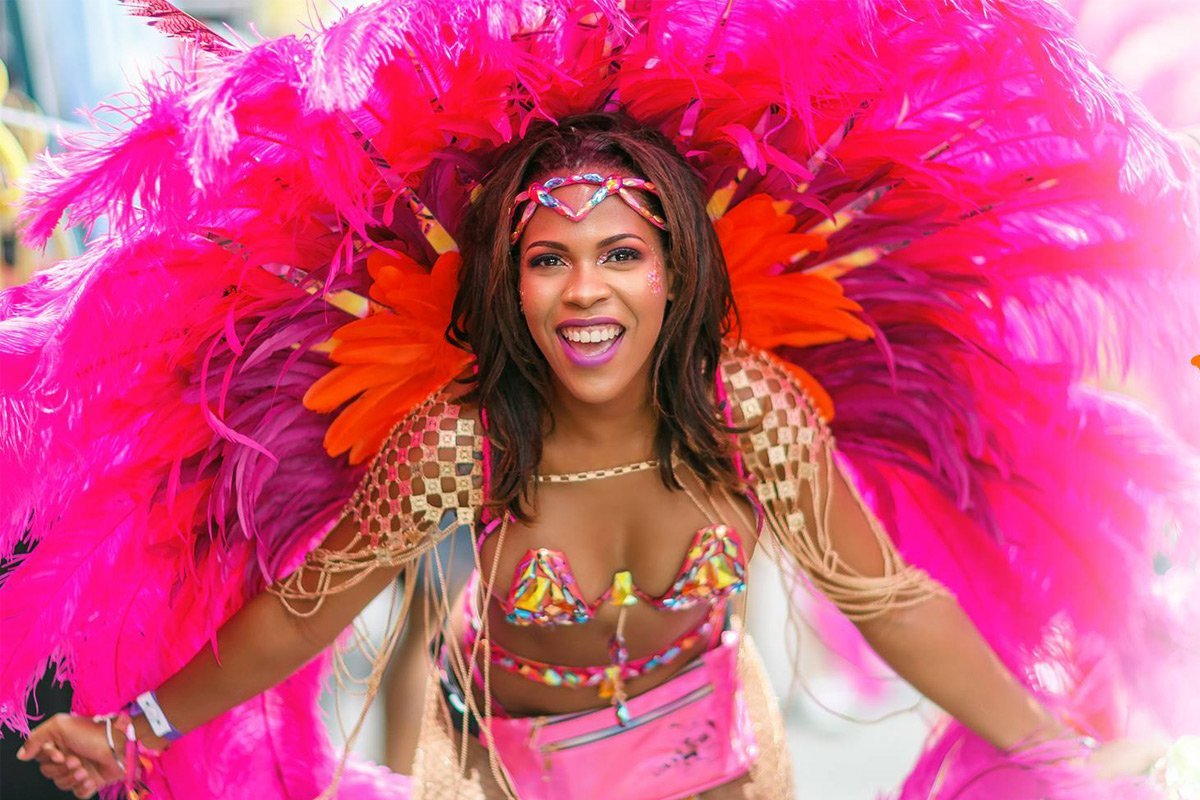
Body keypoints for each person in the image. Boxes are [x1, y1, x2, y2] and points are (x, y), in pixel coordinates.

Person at [3, 2, 1197, 799]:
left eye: (623, 253)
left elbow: (889, 598)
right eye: (548, 258)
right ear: (507, 286)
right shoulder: (461, 444)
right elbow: (303, 612)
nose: (587, 290)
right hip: (498, 774)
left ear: (679, 271)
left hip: (722, 765)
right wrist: (141, 723)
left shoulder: (755, 415)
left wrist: (1043, 740)